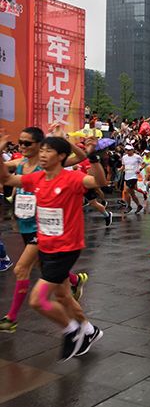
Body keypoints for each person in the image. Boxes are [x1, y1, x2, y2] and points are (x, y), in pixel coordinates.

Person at [0, 135, 107, 360]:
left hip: (66, 249)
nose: (42, 154)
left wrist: (93, 157)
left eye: (48, 151)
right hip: (45, 246)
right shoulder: (37, 178)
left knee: (37, 300)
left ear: (61, 156)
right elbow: (7, 179)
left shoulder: (72, 178)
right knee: (63, 295)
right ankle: (89, 330)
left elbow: (99, 182)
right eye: (42, 150)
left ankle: (72, 330)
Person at [121, 145, 144, 214]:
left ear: (132, 150)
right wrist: (120, 169)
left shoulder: (137, 157)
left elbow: (143, 164)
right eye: (126, 150)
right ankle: (139, 205)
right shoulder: (124, 157)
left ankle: (129, 206)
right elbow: (123, 166)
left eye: (129, 150)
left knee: (126, 190)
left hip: (133, 176)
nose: (127, 151)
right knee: (131, 193)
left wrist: (139, 169)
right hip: (126, 176)